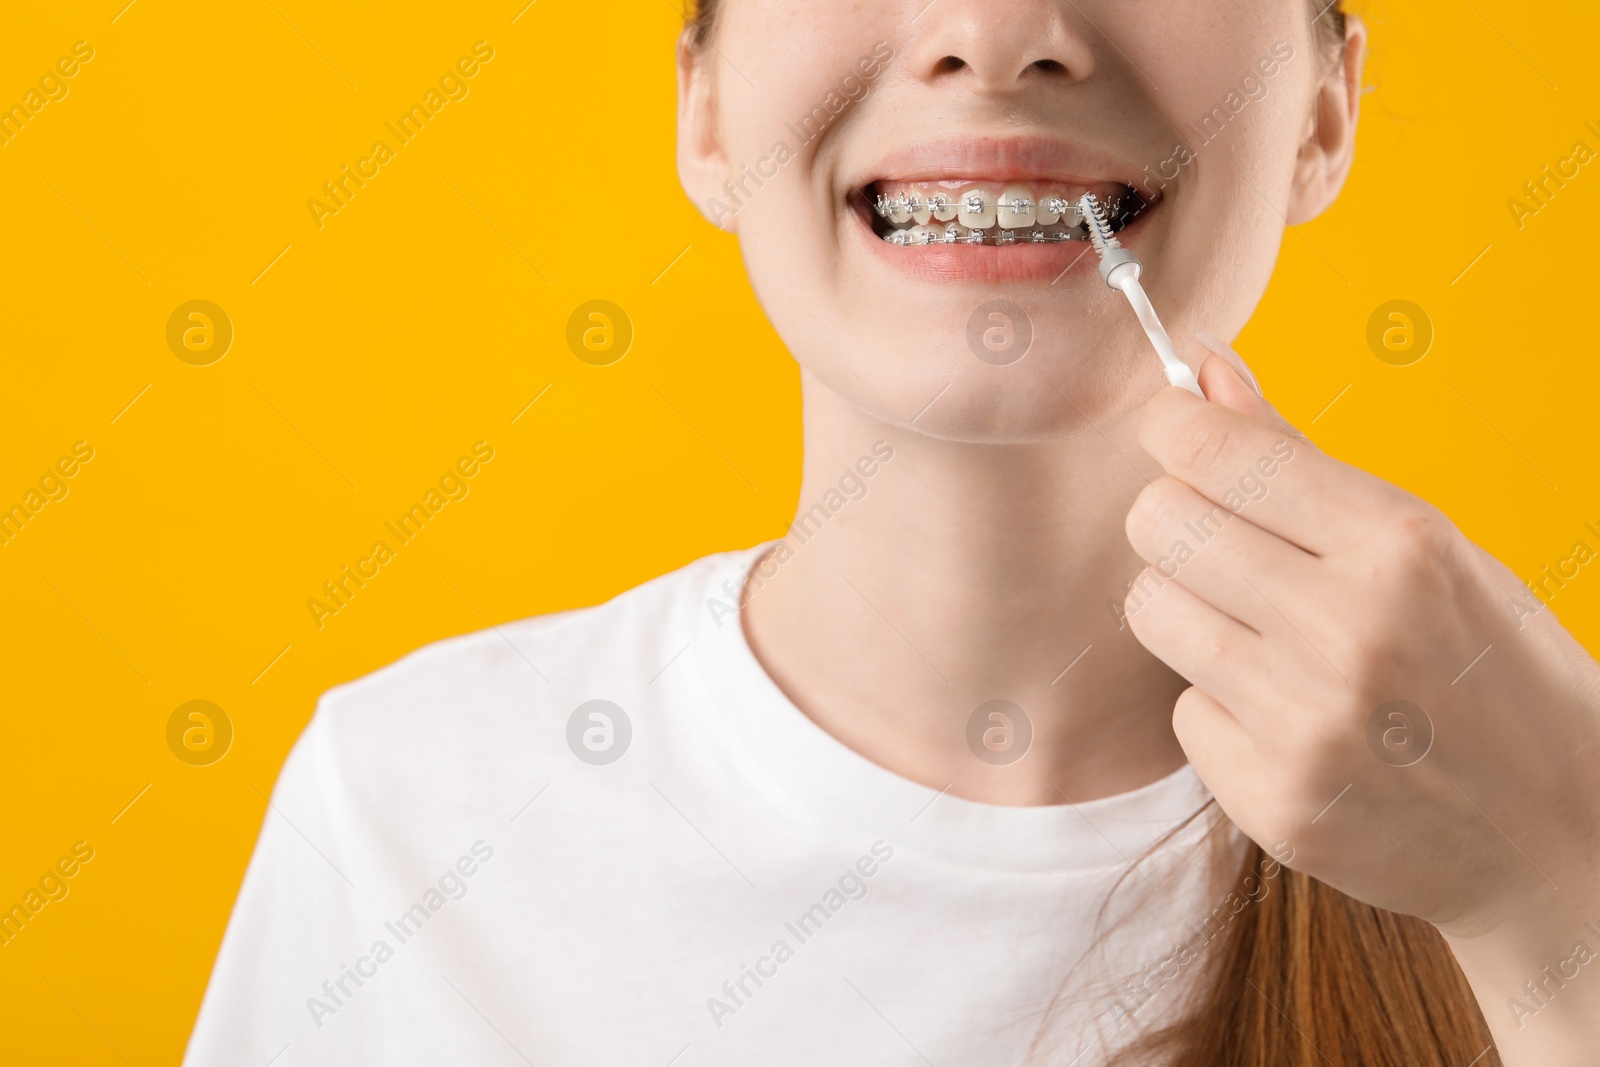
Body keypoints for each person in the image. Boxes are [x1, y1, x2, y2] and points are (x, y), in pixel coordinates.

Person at [184, 2, 1600, 1064]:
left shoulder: (1537, 800)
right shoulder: (404, 817)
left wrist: (1556, 877)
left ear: (1324, 112)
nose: (996, 36)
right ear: (707, 114)